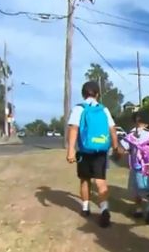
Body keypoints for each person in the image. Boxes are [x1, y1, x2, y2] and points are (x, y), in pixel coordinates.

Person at [66, 81, 121, 228]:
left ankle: (85, 207)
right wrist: (116, 147)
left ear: (83, 94)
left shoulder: (79, 108)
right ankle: (104, 209)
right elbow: (112, 129)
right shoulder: (104, 110)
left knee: (85, 180)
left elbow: (73, 129)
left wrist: (70, 149)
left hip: (84, 150)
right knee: (100, 180)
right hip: (101, 150)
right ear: (97, 94)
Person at [120, 111, 149, 220]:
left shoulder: (131, 136)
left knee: (136, 189)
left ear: (135, 121)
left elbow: (121, 149)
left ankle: (138, 209)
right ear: (148, 123)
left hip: (137, 167)